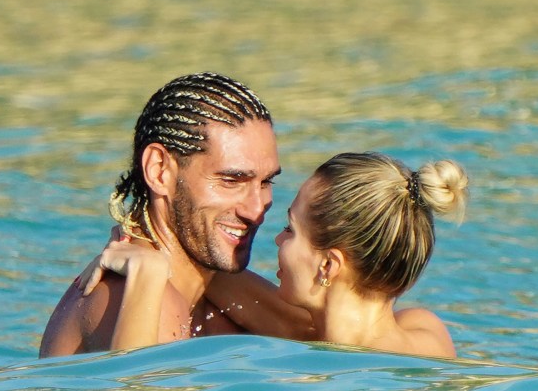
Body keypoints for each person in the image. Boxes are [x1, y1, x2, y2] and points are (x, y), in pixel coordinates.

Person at [89, 151, 469, 358]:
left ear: (328, 265)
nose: (277, 240)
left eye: (290, 229)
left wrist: (148, 273)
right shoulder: (427, 333)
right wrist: (154, 235)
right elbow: (221, 278)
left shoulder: (324, 375)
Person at [38, 72, 309, 357]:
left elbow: (320, 334)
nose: (256, 210)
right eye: (230, 181)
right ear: (159, 170)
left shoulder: (211, 285)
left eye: (266, 182)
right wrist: (147, 273)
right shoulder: (143, 298)